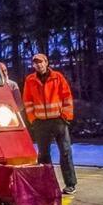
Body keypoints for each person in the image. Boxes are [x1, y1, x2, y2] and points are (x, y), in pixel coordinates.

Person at [23, 53, 77, 194]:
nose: (38, 65)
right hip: (41, 123)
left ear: (46, 62)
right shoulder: (30, 80)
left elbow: (67, 97)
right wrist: (33, 119)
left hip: (58, 121)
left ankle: (70, 184)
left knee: (65, 152)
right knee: (43, 155)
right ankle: (46, 184)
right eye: (35, 63)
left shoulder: (57, 77)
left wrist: (66, 116)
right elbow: (27, 102)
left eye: (40, 62)